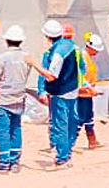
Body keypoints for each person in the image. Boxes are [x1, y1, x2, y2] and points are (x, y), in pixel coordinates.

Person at [30, 19, 80, 169]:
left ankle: (63, 157)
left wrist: (34, 65)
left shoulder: (57, 53)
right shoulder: (69, 46)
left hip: (61, 92)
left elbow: (51, 75)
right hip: (72, 90)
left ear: (48, 36)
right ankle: (67, 151)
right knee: (71, 122)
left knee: (60, 125)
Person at [0, 25, 29, 174]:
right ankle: (15, 161)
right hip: (19, 99)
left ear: (7, 41)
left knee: (3, 131)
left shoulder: (3, 58)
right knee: (16, 129)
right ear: (21, 41)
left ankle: (4, 162)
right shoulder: (25, 58)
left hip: (2, 101)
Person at [76, 33, 104, 149]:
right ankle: (70, 142)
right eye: (95, 50)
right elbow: (80, 76)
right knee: (80, 118)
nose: (97, 52)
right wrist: (89, 88)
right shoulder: (82, 57)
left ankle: (92, 141)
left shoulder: (88, 58)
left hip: (87, 93)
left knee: (88, 117)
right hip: (81, 93)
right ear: (90, 47)